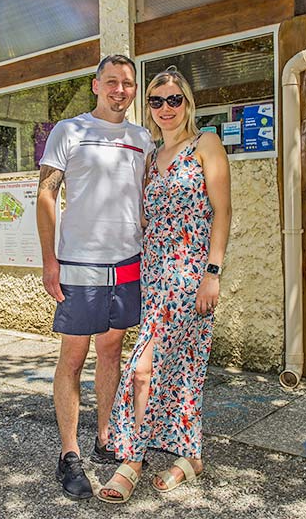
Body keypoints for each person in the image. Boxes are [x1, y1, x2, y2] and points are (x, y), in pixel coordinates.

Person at [97, 67, 232, 503]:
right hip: (155, 277)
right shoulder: (151, 158)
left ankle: (131, 461)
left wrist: (212, 274)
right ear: (149, 108)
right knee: (182, 369)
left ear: (187, 103)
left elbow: (223, 212)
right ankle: (189, 456)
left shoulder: (205, 143)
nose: (166, 108)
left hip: (191, 277)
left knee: (142, 369)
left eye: (174, 99)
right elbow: (142, 218)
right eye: (156, 101)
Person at [36, 54, 154, 500]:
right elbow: (46, 195)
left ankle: (105, 438)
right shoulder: (69, 131)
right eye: (111, 81)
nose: (119, 89)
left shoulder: (142, 138)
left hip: (127, 264)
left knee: (111, 353)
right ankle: (69, 454)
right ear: (95, 84)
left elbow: (144, 199)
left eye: (127, 83)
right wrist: (50, 260)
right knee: (73, 357)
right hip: (79, 267)